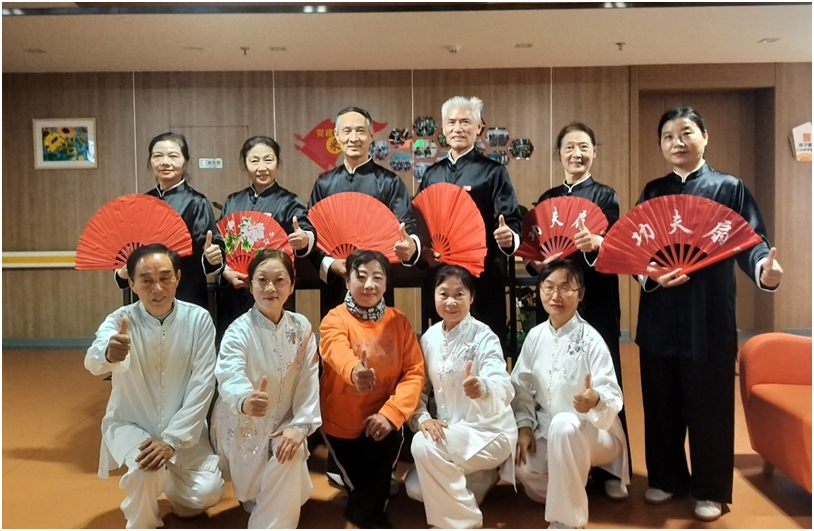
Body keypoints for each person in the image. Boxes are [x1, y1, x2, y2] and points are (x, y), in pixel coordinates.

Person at [636, 107, 783, 521]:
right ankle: (666, 478)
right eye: (668, 136)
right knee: (660, 401)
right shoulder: (653, 190)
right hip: (659, 311)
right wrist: (650, 274)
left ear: (705, 136)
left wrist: (764, 270)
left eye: (686, 133)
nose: (677, 142)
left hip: (709, 313)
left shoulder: (729, 188)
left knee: (710, 404)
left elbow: (752, 241)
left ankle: (710, 488)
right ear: (661, 145)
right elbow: (636, 248)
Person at [85, 243, 224, 529]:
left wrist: (172, 440)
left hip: (183, 431)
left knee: (206, 493)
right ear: (132, 284)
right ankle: (143, 522)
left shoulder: (198, 320)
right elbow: (93, 360)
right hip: (131, 423)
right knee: (145, 471)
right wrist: (110, 353)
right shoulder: (120, 320)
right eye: (146, 280)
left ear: (178, 278)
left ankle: (170, 480)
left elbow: (202, 386)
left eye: (165, 277)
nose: (157, 288)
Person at [525, 122, 629, 500]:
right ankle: (561, 452)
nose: (577, 154)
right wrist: (537, 263)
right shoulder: (548, 198)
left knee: (602, 377)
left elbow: (616, 246)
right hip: (556, 300)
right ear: (559, 154)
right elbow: (536, 254)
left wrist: (596, 243)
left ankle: (611, 468)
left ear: (594, 152)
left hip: (595, 297)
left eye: (584, 147)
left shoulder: (605, 196)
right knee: (555, 375)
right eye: (569, 147)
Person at [509, 259, 629, 530]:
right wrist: (524, 426)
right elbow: (521, 387)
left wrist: (595, 399)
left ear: (580, 293)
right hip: (548, 430)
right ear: (540, 290)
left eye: (565, 288)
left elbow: (612, 393)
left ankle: (568, 522)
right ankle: (571, 488)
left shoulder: (592, 339)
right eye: (549, 287)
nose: (556, 295)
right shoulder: (535, 336)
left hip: (596, 431)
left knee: (564, 424)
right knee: (523, 466)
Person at [211, 249, 320, 529]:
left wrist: (300, 425)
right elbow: (229, 372)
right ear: (250, 286)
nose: (270, 288)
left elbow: (309, 379)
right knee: (262, 493)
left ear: (292, 286)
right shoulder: (239, 330)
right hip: (244, 420)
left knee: (290, 450)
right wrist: (246, 399)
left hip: (285, 419)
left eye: (279, 280)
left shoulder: (302, 327)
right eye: (262, 280)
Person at [319, 249, 425, 529]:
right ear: (347, 281)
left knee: (369, 493)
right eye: (361, 276)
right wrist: (354, 371)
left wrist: (391, 414)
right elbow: (335, 349)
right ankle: (366, 494)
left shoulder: (399, 321)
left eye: (378, 277)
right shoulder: (334, 319)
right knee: (370, 490)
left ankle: (369, 504)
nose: (369, 285)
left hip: (383, 424)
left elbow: (414, 372)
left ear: (386, 284)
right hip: (342, 424)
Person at [405, 265, 517, 529]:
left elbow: (504, 384)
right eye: (444, 294)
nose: (451, 301)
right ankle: (481, 478)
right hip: (452, 434)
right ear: (434, 296)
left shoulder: (484, 335)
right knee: (414, 487)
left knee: (423, 446)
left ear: (472, 297)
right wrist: (422, 419)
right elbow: (417, 390)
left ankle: (464, 522)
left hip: (489, 431)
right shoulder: (429, 338)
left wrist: (483, 388)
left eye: (459, 294)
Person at [418, 96, 522, 350]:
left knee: (486, 346)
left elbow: (510, 220)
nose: (458, 128)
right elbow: (420, 221)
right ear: (443, 129)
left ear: (479, 127)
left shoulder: (493, 172)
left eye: (465, 122)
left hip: (483, 276)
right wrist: (424, 251)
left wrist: (509, 236)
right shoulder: (432, 174)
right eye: (451, 122)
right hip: (441, 275)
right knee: (442, 347)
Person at [307, 106, 422, 316]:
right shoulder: (323, 184)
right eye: (347, 131)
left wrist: (411, 244)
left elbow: (407, 225)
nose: (354, 138)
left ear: (371, 136)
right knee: (335, 332)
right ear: (337, 136)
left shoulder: (389, 182)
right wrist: (331, 264)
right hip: (336, 283)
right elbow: (312, 234)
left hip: (376, 282)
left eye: (360, 131)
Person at [216, 136, 316, 340]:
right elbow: (221, 241)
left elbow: (306, 228)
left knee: (276, 344)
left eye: (268, 160)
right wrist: (226, 272)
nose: (262, 167)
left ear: (278, 162)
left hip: (273, 289)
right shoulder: (233, 201)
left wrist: (304, 238)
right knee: (236, 342)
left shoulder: (289, 201)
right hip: (236, 290)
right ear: (245, 164)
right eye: (254, 161)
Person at [115, 132, 224, 310]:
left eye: (173, 156)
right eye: (158, 156)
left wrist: (212, 257)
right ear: (150, 161)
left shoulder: (197, 202)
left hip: (186, 291)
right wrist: (121, 272)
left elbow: (211, 247)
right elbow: (126, 248)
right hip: (146, 292)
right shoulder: (140, 203)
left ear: (185, 161)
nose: (165, 162)